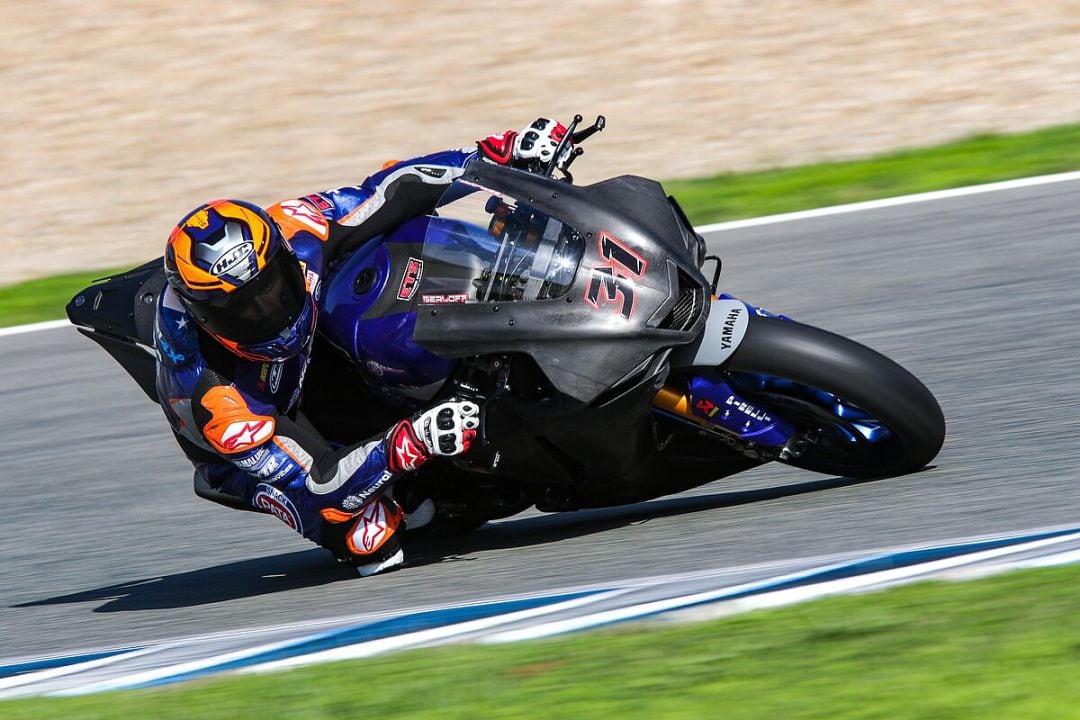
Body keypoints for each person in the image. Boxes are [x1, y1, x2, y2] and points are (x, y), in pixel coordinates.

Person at [155, 118, 572, 576]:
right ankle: (425, 494)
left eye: (272, 287)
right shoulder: (218, 399)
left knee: (378, 275)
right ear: (205, 318)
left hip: (312, 353)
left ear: (282, 258)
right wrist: (408, 443)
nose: (266, 311)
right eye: (241, 311)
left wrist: (497, 157)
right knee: (369, 538)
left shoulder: (296, 228)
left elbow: (390, 191)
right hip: (264, 427)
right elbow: (318, 482)